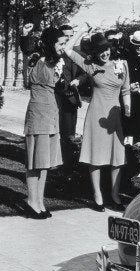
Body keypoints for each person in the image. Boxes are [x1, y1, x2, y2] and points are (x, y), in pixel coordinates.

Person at [64, 26, 131, 211]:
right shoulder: (90, 65)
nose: (104, 54)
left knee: (117, 156)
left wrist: (127, 107)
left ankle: (115, 195)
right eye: (101, 51)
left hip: (115, 116)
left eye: (106, 50)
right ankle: (97, 195)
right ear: (95, 53)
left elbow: (125, 90)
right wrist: (80, 32)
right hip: (96, 114)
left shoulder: (121, 65)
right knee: (95, 156)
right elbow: (68, 50)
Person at [22, 27, 67, 219]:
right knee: (35, 161)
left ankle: (39, 201)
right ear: (50, 43)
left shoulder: (54, 62)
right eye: (60, 43)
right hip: (38, 114)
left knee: (45, 163)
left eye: (64, 43)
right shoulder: (39, 59)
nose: (63, 47)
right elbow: (27, 52)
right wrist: (24, 36)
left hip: (50, 114)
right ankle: (31, 201)